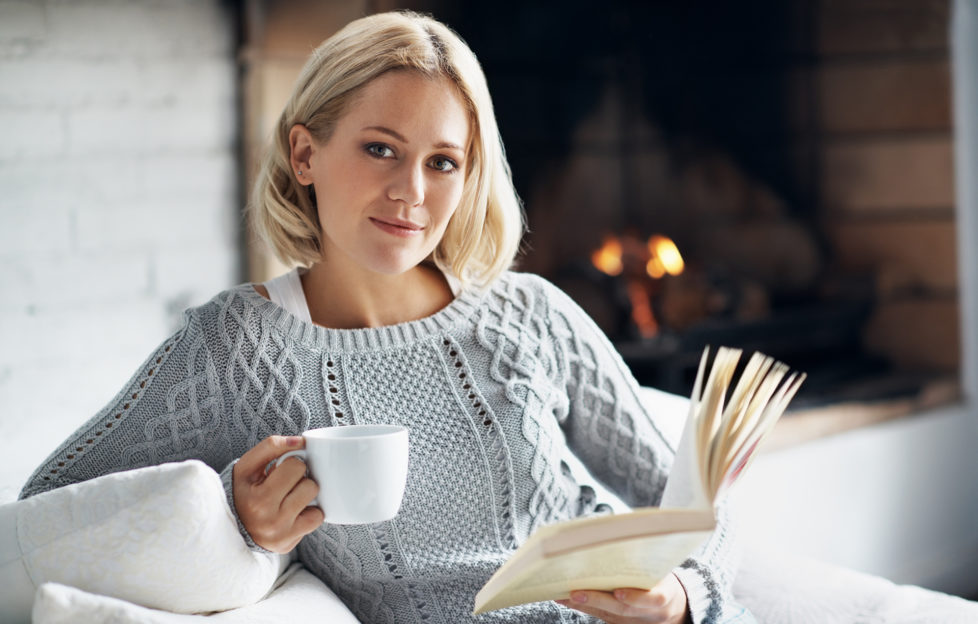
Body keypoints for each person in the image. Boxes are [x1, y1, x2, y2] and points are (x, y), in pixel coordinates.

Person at [20, 11, 750, 624]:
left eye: (443, 163)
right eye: (380, 149)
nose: (412, 193)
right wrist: (237, 519)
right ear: (305, 153)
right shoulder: (237, 347)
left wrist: (683, 593)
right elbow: (51, 510)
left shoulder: (529, 314)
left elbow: (696, 501)